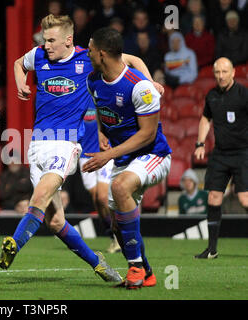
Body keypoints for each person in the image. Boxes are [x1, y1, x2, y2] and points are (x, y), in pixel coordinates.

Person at [0, 14, 123, 284]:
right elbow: (19, 63)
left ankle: (14, 244)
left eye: (52, 40)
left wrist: (149, 80)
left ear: (68, 40)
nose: (47, 45)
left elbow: (128, 60)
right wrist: (20, 81)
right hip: (37, 144)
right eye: (45, 40)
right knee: (54, 222)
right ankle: (98, 263)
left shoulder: (85, 58)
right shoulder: (38, 55)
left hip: (65, 144)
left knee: (40, 195)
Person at [82, 27, 172, 289]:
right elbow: (102, 106)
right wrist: (100, 130)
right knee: (117, 225)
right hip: (124, 160)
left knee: (120, 187)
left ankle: (133, 268)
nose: (86, 54)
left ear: (101, 54)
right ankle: (148, 273)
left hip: (153, 154)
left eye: (89, 50)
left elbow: (146, 135)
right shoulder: (93, 80)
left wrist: (106, 155)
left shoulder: (140, 88)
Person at [194, 57, 248, 259]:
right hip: (220, 154)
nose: (221, 76)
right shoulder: (212, 96)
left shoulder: (243, 94)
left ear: (233, 72)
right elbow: (206, 119)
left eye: (225, 72)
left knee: (245, 199)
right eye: (217, 72)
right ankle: (212, 250)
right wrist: (200, 143)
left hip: (243, 152)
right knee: (213, 197)